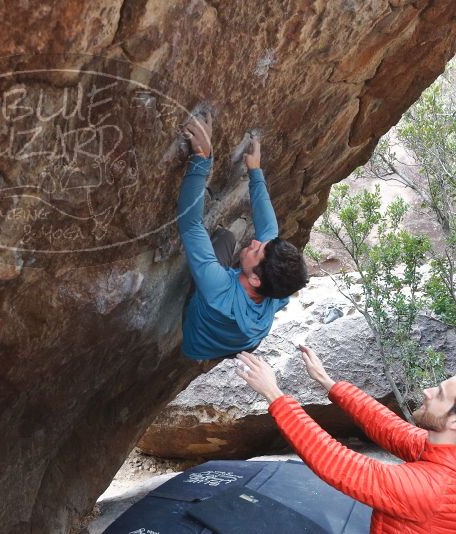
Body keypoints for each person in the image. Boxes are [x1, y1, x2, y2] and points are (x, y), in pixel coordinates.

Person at [236, 346, 456, 533]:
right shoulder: (444, 450)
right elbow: (387, 426)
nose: (427, 391)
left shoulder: (435, 489)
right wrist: (326, 380)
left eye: (439, 395)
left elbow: (339, 463)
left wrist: (273, 394)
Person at [177, 113, 307, 361]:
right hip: (236, 339)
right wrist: (255, 171)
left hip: (196, 337)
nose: (254, 242)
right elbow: (269, 229)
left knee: (219, 242)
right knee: (227, 240)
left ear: (257, 280)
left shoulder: (218, 290)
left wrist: (201, 159)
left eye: (257, 251)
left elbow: (191, 225)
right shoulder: (276, 293)